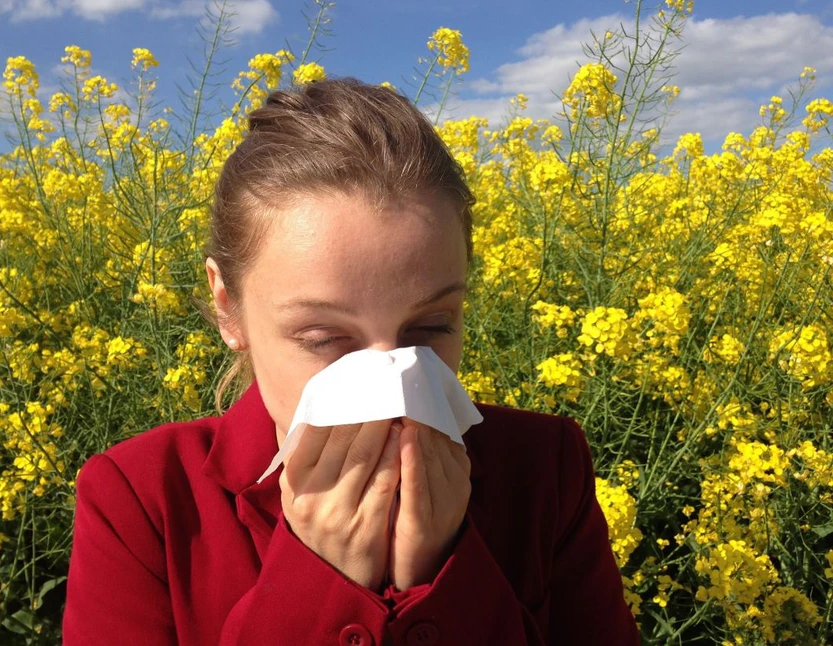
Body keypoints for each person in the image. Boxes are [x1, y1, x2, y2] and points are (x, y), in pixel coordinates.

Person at [61, 76, 641, 645]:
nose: (392, 385)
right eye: (322, 337)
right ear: (228, 308)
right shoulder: (144, 500)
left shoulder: (543, 470)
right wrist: (317, 580)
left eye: (430, 326)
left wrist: (442, 573)